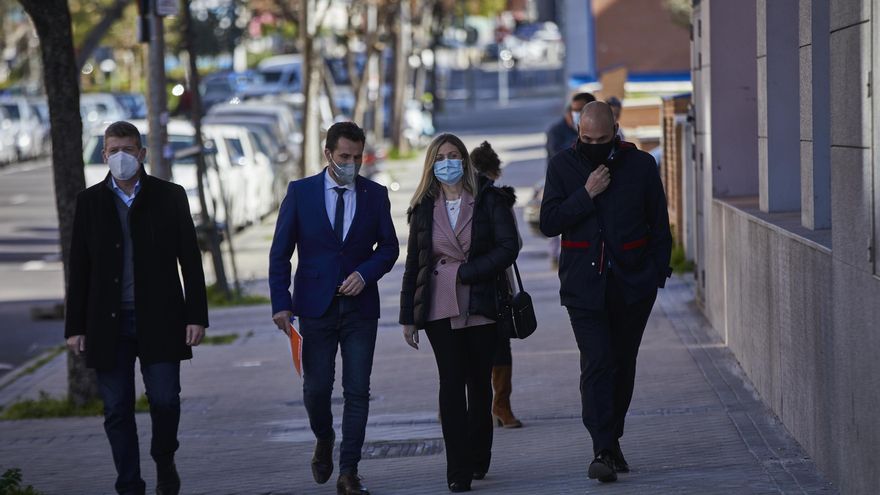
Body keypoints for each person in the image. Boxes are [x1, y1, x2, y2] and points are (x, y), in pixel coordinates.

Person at [65, 120, 209, 495]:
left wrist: (196, 316)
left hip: (160, 318)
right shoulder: (90, 202)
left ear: (142, 153)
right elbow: (79, 267)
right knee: (116, 408)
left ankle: (164, 457)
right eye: (114, 150)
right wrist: (75, 326)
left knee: (165, 400)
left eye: (128, 150)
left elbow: (190, 260)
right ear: (104, 155)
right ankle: (129, 483)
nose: (121, 157)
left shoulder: (169, 196)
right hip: (107, 323)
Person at [539, 102, 672, 483]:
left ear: (615, 130)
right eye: (586, 138)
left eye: (601, 139)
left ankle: (611, 440)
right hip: (583, 286)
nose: (593, 145)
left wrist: (654, 275)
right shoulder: (562, 166)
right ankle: (602, 448)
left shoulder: (641, 166)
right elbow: (549, 222)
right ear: (578, 132)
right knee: (597, 362)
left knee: (622, 364)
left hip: (633, 286)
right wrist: (586, 193)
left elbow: (659, 225)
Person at [269, 122, 398, 495]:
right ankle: (324, 437)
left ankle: (349, 472)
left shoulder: (375, 195)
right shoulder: (301, 193)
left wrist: (365, 273)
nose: (351, 164)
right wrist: (281, 303)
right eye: (344, 156)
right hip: (315, 308)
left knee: (357, 390)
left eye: (357, 157)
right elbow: (280, 253)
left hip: (360, 310)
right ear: (327, 154)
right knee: (317, 388)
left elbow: (389, 247)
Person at [400, 134, 519, 493]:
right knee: (451, 383)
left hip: (481, 302)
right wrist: (408, 317)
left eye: (453, 156)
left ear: (464, 161)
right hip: (439, 304)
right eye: (440, 157)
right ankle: (458, 468)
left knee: (478, 383)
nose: (447, 163)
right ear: (431, 164)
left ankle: (479, 454)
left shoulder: (488, 199)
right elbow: (414, 264)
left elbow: (508, 247)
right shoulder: (423, 207)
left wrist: (470, 271)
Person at [468, 141, 523, 429]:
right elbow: (516, 243)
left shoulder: (460, 198)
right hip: (496, 284)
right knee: (499, 346)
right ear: (496, 172)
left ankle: (466, 406)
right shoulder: (500, 199)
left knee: (468, 347)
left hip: (474, 284)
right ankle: (501, 406)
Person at [545, 92, 596, 268]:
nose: (576, 114)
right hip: (565, 188)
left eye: (580, 110)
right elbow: (558, 157)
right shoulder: (557, 131)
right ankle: (556, 256)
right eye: (574, 110)